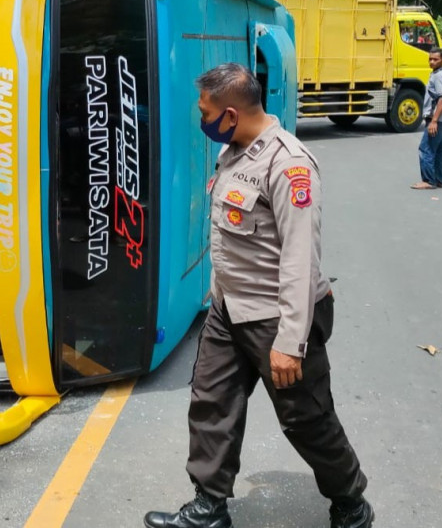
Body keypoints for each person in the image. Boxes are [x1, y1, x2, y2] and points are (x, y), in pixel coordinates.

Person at [145, 64, 372, 528]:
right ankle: (209, 506)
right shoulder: (234, 150)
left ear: (230, 113)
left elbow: (299, 259)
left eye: (205, 112)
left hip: (276, 316)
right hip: (229, 308)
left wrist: (290, 341)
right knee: (211, 403)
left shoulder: (288, 163)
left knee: (305, 418)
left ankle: (350, 502)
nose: (200, 119)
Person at [413, 48, 442, 190]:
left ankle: (429, 180)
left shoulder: (439, 77)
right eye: (430, 59)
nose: (432, 62)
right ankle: (440, 179)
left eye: (435, 59)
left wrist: (434, 121)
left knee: (426, 149)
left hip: (438, 118)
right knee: (441, 149)